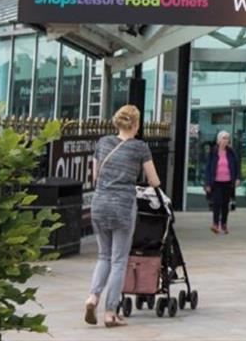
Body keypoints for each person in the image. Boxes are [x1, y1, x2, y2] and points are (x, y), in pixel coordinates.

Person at [84, 105, 161, 328]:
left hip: (99, 204)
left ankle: (92, 297)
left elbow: (96, 175)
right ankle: (110, 312)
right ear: (136, 124)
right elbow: (154, 181)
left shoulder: (103, 142)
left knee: (103, 256)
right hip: (123, 206)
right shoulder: (140, 148)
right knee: (118, 260)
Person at [204, 131, 240, 234]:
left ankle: (224, 224)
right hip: (216, 182)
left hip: (228, 182)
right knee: (216, 203)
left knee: (225, 204)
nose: (226, 140)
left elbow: (236, 166)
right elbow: (208, 169)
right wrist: (207, 183)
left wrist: (237, 178)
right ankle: (215, 224)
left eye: (227, 138)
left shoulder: (231, 152)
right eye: (224, 138)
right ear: (218, 140)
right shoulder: (213, 153)